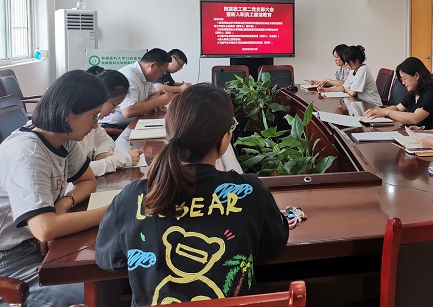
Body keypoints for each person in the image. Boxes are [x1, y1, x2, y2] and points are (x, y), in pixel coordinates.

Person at [95, 84, 289, 305]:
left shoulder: (133, 197)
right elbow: (274, 246)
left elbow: (109, 259)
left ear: (168, 132)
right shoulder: (250, 191)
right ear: (225, 139)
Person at [0, 71, 109, 306]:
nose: (95, 125)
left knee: (112, 273)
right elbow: (44, 229)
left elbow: (87, 181)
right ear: (69, 114)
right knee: (102, 292)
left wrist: (63, 204)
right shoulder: (28, 153)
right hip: (10, 261)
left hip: (39, 245)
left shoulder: (62, 139)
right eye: (93, 116)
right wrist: (111, 210)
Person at [79, 69, 144, 176]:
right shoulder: (76, 123)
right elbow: (78, 172)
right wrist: (122, 159)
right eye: (114, 105)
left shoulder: (93, 120)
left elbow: (106, 140)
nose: (113, 111)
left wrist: (102, 153)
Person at [99, 48, 176, 129]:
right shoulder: (130, 76)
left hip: (132, 123)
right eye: (162, 71)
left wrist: (153, 100)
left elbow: (154, 93)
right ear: (152, 65)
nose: (161, 75)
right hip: (114, 127)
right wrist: (158, 101)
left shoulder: (146, 76)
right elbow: (128, 111)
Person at [363, 57, 433, 128]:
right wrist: (378, 111)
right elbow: (398, 108)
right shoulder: (414, 92)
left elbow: (415, 118)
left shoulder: (431, 92)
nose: (403, 83)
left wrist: (387, 112)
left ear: (416, 76)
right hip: (417, 133)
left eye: (404, 78)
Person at [317, 45, 382, 106]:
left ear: (357, 61)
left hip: (373, 105)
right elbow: (343, 87)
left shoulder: (363, 70)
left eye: (348, 62)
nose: (346, 64)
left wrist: (346, 88)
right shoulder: (352, 70)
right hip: (361, 103)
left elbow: (353, 92)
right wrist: (326, 90)